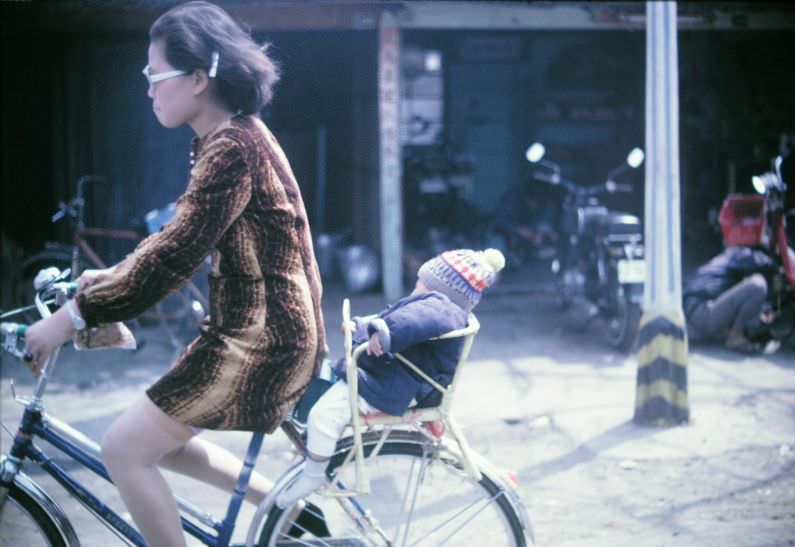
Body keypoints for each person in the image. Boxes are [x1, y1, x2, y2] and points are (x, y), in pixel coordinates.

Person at [23, 2, 327, 545]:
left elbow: (172, 258)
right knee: (156, 438)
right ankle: (287, 509)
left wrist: (69, 319)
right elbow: (174, 238)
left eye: (152, 74)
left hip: (263, 339)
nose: (147, 88)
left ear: (197, 78)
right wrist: (107, 277)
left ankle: (285, 507)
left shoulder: (233, 148)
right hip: (252, 330)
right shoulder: (228, 139)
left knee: (122, 447)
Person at [276, 248, 505, 509]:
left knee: (324, 416)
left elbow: (407, 322)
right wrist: (364, 326)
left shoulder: (439, 309)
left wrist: (384, 335)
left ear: (439, 288)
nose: (415, 289)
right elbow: (394, 316)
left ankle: (313, 475)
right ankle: (315, 447)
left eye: (420, 284)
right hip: (395, 376)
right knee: (321, 380)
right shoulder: (440, 307)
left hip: (394, 386)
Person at [682, 245, 791, 354]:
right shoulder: (742, 254)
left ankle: (729, 333)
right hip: (703, 313)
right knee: (758, 284)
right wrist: (781, 267)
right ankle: (735, 338)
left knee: (752, 291)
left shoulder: (727, 256)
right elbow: (769, 265)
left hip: (694, 314)